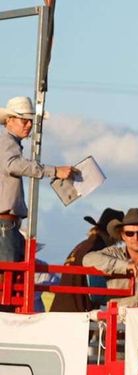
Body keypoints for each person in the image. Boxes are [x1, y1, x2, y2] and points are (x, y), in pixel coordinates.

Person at [0, 96, 73, 264]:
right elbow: (13, 165)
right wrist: (53, 171)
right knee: (8, 274)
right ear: (9, 120)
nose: (29, 125)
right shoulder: (6, 141)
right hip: (5, 224)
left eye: (30, 121)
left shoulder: (8, 142)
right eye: (24, 120)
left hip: (8, 223)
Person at [49, 208, 122, 313]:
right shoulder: (99, 247)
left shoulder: (82, 245)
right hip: (78, 311)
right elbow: (98, 292)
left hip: (61, 308)